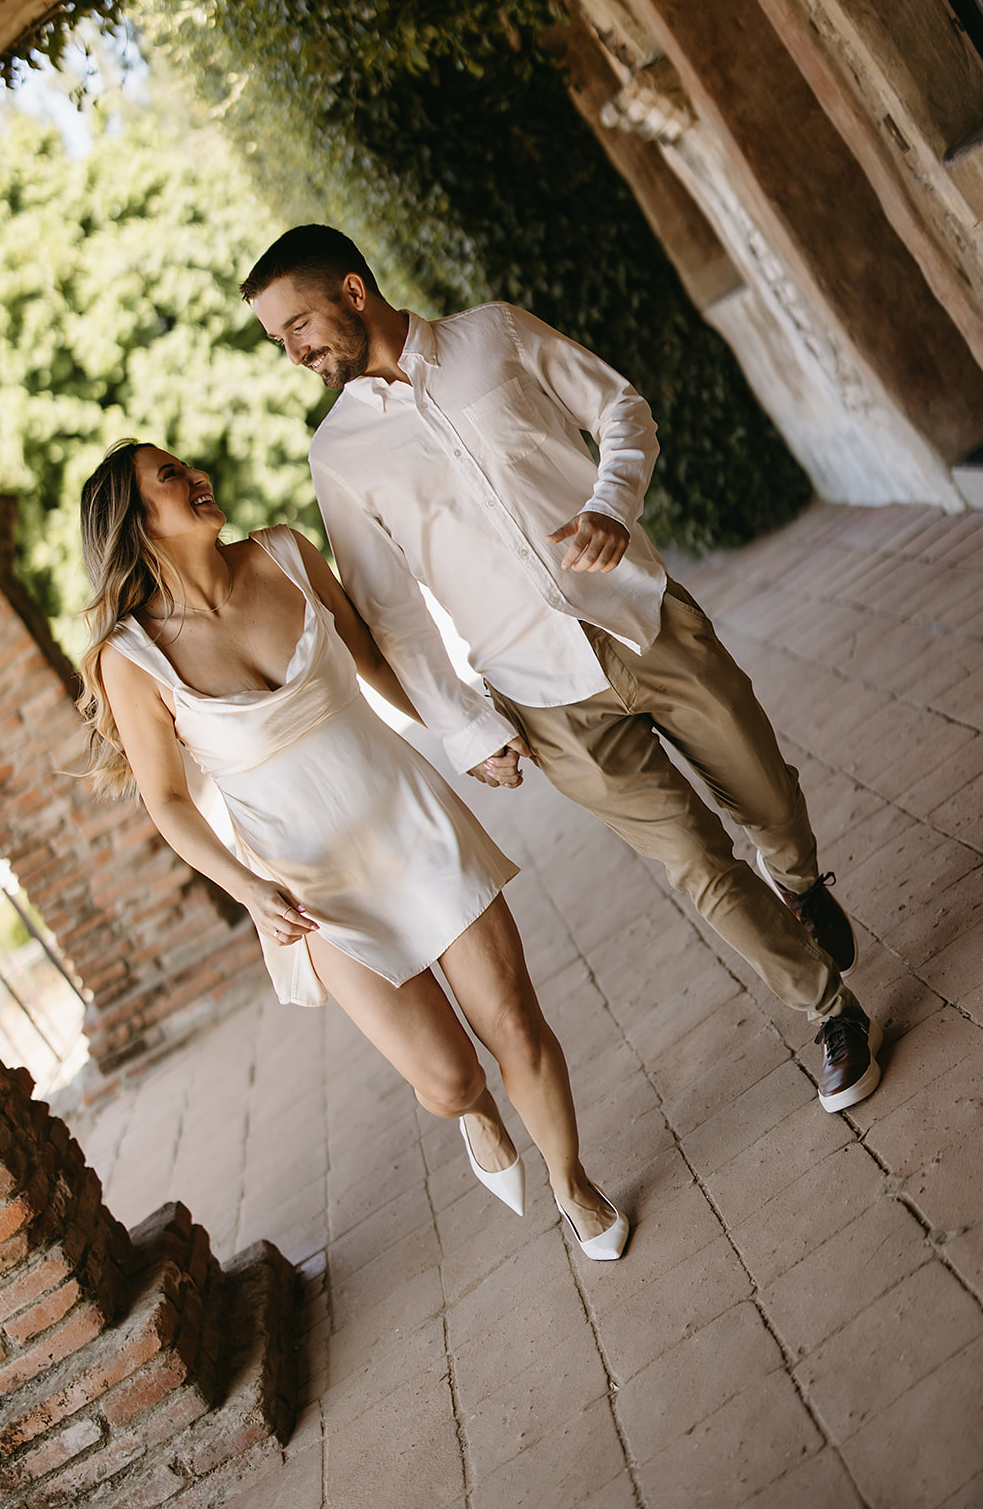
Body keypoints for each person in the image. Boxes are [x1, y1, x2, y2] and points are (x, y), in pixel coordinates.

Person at [240, 224, 884, 1116]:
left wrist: (610, 504)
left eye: (298, 324)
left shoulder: (492, 335)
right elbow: (388, 614)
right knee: (693, 861)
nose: (293, 350)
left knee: (766, 797)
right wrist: (467, 730)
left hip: (643, 621)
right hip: (543, 701)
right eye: (279, 340)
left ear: (352, 292)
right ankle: (830, 1012)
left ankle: (801, 880)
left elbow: (621, 409)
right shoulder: (338, 455)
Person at [77, 439, 628, 1261]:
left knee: (513, 1019)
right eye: (169, 477)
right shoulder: (133, 656)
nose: (195, 475)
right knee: (448, 1078)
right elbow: (165, 800)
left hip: (410, 820)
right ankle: (478, 1117)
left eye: (188, 464)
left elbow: (374, 659)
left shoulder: (284, 552)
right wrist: (247, 889)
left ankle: (571, 1182)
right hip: (311, 889)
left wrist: (466, 735)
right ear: (136, 523)